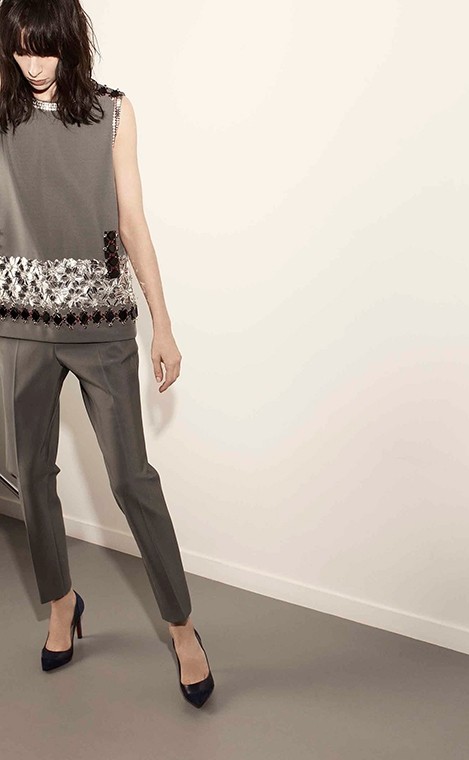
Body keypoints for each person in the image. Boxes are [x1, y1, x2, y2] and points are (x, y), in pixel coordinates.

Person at [0, 0, 214, 708]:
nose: (32, 64)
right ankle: (61, 602)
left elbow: (132, 220)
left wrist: (163, 324)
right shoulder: (2, 111)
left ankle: (182, 627)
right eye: (19, 49)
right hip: (19, 324)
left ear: (70, 43)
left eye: (44, 49)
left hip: (102, 324)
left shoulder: (113, 111)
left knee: (131, 478)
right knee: (30, 475)